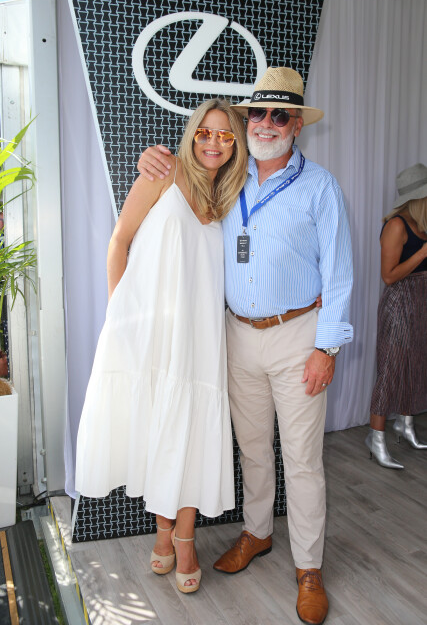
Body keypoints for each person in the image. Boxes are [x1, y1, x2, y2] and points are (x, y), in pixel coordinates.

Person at [138, 67, 353, 625]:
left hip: (298, 337)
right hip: (234, 336)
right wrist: (151, 161)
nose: (266, 123)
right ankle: (257, 533)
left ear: (297, 125)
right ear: (247, 120)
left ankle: (308, 568)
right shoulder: (227, 180)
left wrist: (326, 348)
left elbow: (340, 274)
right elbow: (176, 188)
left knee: (302, 461)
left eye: (280, 114)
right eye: (258, 112)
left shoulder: (321, 187)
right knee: (252, 450)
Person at [75, 98, 248, 594]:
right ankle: (164, 532)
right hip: (147, 330)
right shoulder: (162, 172)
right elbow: (119, 241)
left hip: (200, 335)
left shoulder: (230, 198)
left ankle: (183, 539)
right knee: (156, 427)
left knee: (190, 433)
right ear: (191, 135)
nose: (213, 142)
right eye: (205, 132)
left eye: (225, 135)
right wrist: (118, 316)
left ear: (235, 146)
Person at [365, 163, 427, 468]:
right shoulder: (397, 226)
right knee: (390, 370)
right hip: (400, 303)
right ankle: (375, 438)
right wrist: (423, 253)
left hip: (421, 301)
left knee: (417, 365)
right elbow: (388, 276)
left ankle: (406, 424)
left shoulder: (422, 224)